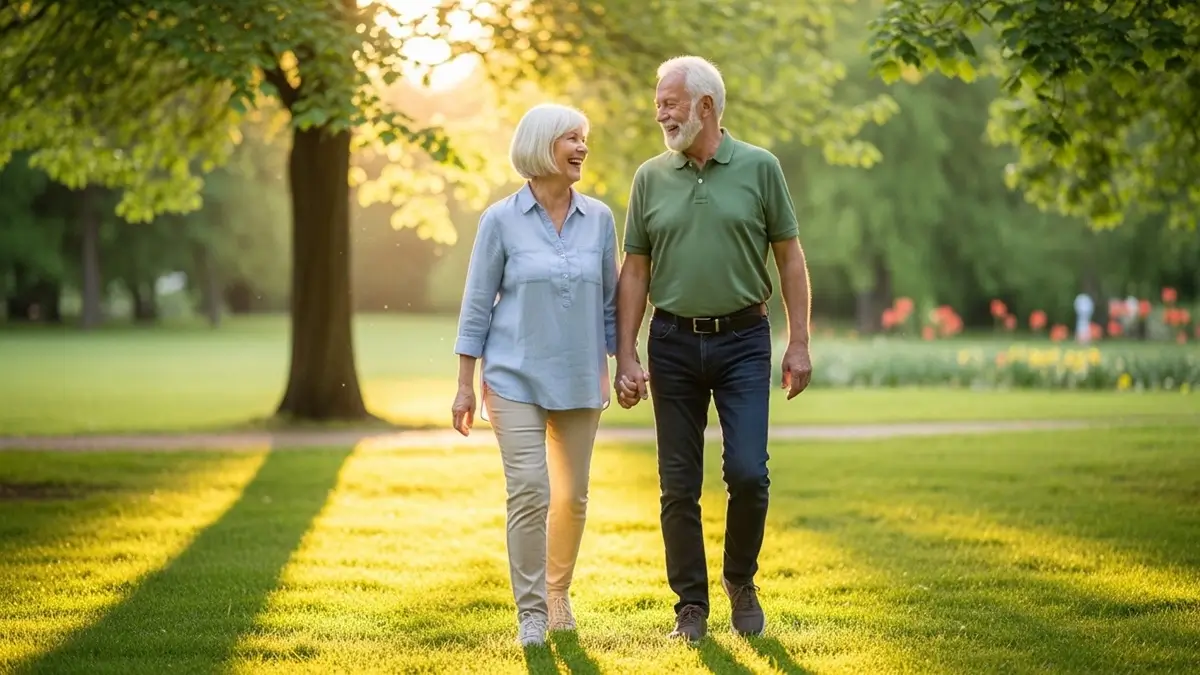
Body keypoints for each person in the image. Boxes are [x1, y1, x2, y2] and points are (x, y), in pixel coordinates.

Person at [614, 55, 814, 642]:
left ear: (705, 105)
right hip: (673, 341)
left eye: (670, 102)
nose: (660, 112)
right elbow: (634, 272)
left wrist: (798, 342)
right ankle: (691, 608)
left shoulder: (760, 168)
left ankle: (740, 580)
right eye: (658, 101)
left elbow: (791, 259)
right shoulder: (650, 177)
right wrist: (625, 355)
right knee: (678, 483)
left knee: (749, 474)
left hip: (745, 342)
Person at [451, 103, 618, 647]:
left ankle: (556, 592)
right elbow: (477, 304)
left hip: (578, 377)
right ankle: (530, 613)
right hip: (513, 377)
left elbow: (613, 306)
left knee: (572, 498)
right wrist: (463, 383)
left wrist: (627, 363)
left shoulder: (601, 219)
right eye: (571, 138)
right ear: (542, 146)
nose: (582, 148)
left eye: (584, 138)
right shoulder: (500, 220)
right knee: (529, 491)